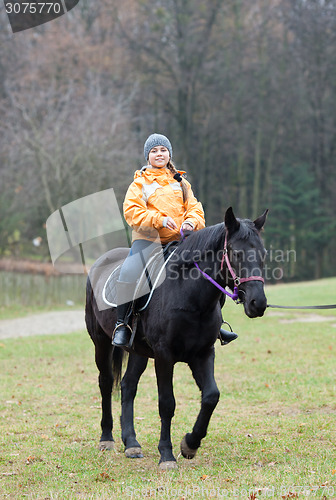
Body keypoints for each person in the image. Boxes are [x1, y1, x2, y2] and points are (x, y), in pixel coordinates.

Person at [112, 133, 238, 348]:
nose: (159, 154)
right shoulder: (139, 184)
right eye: (154, 151)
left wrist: (190, 222)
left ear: (169, 153)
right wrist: (159, 220)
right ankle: (122, 324)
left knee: (210, 272)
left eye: (162, 150)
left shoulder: (181, 183)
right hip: (148, 240)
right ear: (147, 156)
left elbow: (195, 208)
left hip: (181, 241)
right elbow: (132, 213)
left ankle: (216, 324)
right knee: (130, 271)